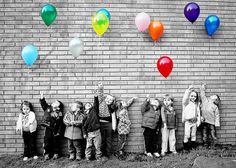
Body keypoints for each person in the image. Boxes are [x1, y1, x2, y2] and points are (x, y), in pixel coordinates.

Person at [39, 92, 64, 160]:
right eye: (54, 102)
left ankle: (56, 153)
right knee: (47, 141)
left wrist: (59, 131)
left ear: (59, 107)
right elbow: (43, 104)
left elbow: (60, 124)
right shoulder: (48, 108)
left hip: (55, 129)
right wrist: (42, 97)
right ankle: (47, 153)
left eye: (57, 103)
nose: (54, 102)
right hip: (48, 128)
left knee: (56, 141)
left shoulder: (60, 113)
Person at [97, 82, 117, 158]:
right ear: (105, 98)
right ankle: (101, 153)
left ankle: (108, 153)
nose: (109, 100)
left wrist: (114, 127)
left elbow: (114, 118)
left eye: (111, 100)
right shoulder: (101, 103)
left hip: (109, 124)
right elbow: (100, 95)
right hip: (101, 124)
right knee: (101, 139)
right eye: (107, 98)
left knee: (109, 139)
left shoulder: (112, 108)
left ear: (112, 101)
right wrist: (100, 87)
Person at [83, 90, 102, 161]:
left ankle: (98, 157)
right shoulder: (84, 116)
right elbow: (83, 126)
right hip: (89, 133)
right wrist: (84, 133)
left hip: (97, 132)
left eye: (89, 104)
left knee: (98, 146)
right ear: (85, 108)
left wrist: (95, 96)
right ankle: (88, 157)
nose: (89, 105)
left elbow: (96, 104)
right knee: (88, 146)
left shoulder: (94, 111)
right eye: (87, 105)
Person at [200, 83, 220, 148]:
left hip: (212, 123)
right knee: (204, 134)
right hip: (204, 122)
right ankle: (205, 145)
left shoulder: (215, 106)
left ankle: (213, 145)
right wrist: (203, 87)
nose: (213, 96)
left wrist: (217, 123)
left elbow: (217, 115)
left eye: (215, 96)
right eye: (213, 95)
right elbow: (202, 94)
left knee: (212, 134)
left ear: (216, 100)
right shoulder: (205, 101)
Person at [182, 85, 201, 151]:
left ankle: (193, 147)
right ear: (189, 96)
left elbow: (198, 113)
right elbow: (185, 98)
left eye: (195, 96)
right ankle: (186, 148)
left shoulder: (197, 104)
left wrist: (198, 121)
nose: (193, 97)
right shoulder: (186, 103)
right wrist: (188, 90)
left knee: (193, 134)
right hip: (188, 121)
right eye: (192, 96)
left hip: (194, 122)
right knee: (187, 135)